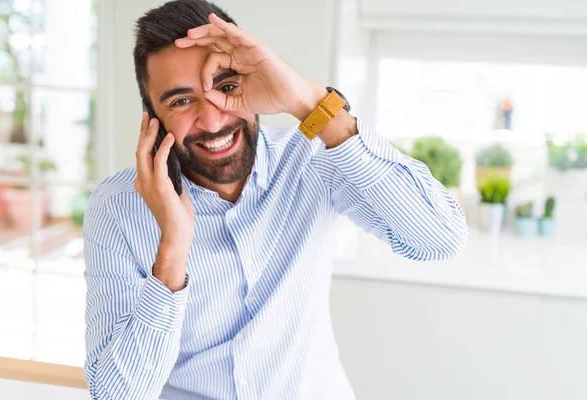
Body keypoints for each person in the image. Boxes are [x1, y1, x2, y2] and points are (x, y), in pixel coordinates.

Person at [82, 1, 468, 399]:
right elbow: (116, 394)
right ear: (152, 120)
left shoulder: (314, 155)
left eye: (227, 87)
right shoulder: (117, 209)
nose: (213, 121)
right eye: (181, 101)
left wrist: (307, 101)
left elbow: (440, 239)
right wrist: (173, 251)